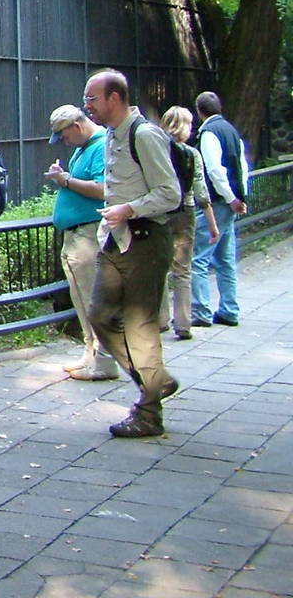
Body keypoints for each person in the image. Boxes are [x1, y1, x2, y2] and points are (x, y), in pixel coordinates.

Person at [81, 69, 182, 438]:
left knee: (140, 327)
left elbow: (170, 194)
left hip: (144, 239)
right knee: (100, 315)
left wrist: (129, 209)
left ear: (115, 98)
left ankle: (149, 413)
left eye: (92, 98)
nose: (87, 106)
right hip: (115, 238)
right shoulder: (110, 135)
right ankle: (155, 380)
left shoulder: (145, 135)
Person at [43, 104, 117, 380]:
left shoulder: (99, 147)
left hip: (87, 235)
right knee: (82, 299)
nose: (63, 141)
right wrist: (65, 178)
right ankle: (91, 353)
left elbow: (102, 189)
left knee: (92, 299)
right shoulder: (82, 148)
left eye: (63, 135)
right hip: (75, 235)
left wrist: (66, 180)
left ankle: (104, 361)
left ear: (77, 126)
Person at [191, 91, 250, 328]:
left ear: (199, 111)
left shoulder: (208, 133)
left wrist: (228, 197)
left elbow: (214, 171)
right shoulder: (231, 130)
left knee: (199, 258)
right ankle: (229, 309)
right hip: (230, 202)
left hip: (216, 203)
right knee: (225, 258)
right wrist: (240, 196)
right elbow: (242, 166)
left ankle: (201, 311)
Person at [159, 105, 217, 340]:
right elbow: (202, 194)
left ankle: (160, 319)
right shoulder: (192, 154)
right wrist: (213, 224)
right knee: (182, 269)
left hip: (161, 211)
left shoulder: (158, 151)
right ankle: (183, 323)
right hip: (186, 211)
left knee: (159, 267)